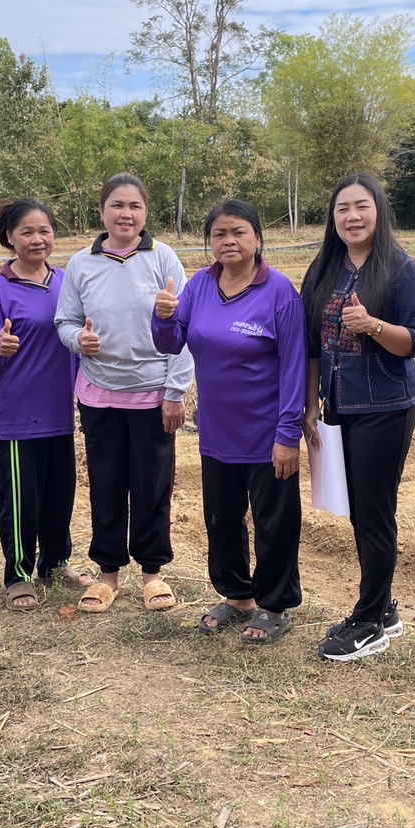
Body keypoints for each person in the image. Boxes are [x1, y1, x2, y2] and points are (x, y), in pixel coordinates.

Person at [151, 199, 306, 645]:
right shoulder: (200, 285)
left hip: (267, 434)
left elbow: (295, 368)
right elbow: (170, 341)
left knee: (275, 521)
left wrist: (287, 435)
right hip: (217, 431)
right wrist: (162, 315)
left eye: (238, 232)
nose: (229, 241)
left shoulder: (279, 293)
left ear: (258, 238)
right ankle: (237, 597)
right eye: (219, 234)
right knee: (221, 518)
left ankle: (275, 605)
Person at [301, 174, 415, 661]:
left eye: (361, 206)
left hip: (385, 408)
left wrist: (374, 325)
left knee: (374, 512)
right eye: (342, 209)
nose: (351, 217)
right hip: (337, 407)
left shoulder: (401, 269)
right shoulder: (325, 267)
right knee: (359, 509)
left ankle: (370, 619)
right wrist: (310, 405)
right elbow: (310, 340)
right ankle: (385, 609)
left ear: (379, 210)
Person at [55, 173, 194, 613]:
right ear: (102, 211)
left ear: (145, 212)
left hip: (153, 395)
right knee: (106, 485)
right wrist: (80, 341)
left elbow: (184, 330)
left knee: (153, 484)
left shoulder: (164, 258)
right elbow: (65, 322)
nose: (126, 214)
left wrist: (175, 392)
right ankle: (108, 572)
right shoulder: (81, 264)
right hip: (99, 394)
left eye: (135, 206)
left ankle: (153, 573)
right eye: (117, 205)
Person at [0, 198, 91, 611]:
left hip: (61, 410)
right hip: (19, 415)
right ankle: (19, 575)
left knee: (60, 494)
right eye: (27, 231)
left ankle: (56, 563)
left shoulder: (66, 281)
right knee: (21, 499)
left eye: (44, 230)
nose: (37, 239)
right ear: (10, 238)